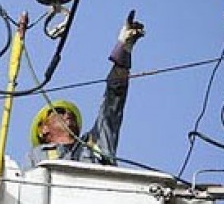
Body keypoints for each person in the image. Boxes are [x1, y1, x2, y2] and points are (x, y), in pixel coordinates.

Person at [27, 11, 144, 167]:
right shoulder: (37, 156)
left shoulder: (95, 143)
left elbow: (112, 105)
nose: (68, 113)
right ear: (44, 129)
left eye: (68, 112)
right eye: (59, 112)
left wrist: (124, 50)